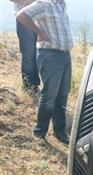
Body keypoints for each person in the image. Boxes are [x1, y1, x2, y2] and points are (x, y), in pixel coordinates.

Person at [16, 0, 73, 144]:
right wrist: (39, 32)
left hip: (65, 55)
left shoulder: (62, 5)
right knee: (49, 95)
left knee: (63, 94)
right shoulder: (45, 4)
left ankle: (60, 132)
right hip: (50, 55)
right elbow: (21, 15)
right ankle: (40, 132)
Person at [10, 0, 40, 95]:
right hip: (24, 20)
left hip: (38, 19)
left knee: (37, 53)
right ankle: (28, 87)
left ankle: (35, 85)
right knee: (28, 55)